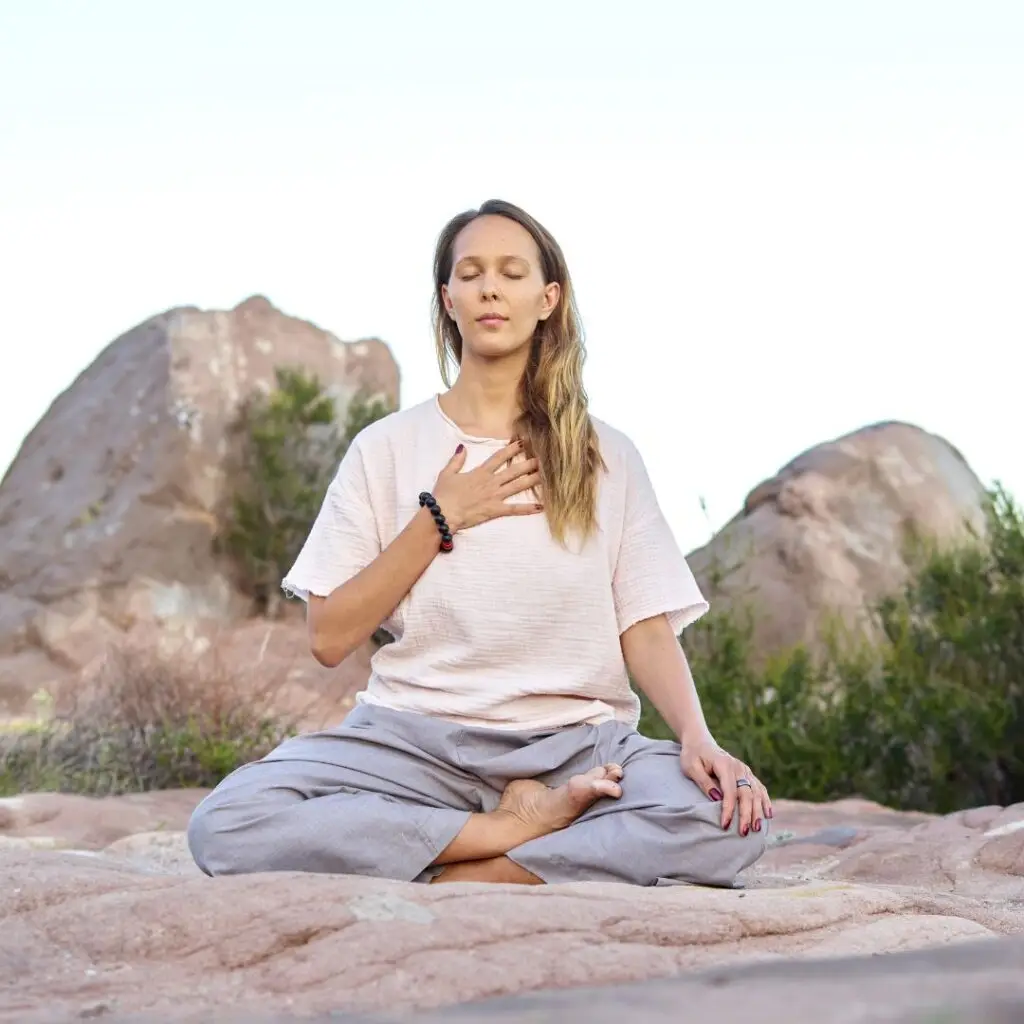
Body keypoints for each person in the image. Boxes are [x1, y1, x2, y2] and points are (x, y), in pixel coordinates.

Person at [187, 199, 772, 888]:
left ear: (548, 298)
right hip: (410, 742)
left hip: (576, 747)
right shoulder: (386, 448)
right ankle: (509, 831)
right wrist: (440, 519)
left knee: (727, 824)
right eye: (470, 273)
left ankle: (479, 872)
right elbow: (329, 635)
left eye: (511, 272)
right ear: (448, 298)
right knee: (227, 823)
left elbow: (642, 625)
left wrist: (698, 739)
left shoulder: (606, 455)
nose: (490, 287)